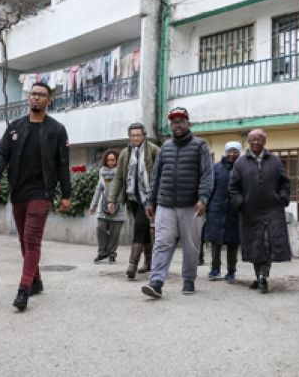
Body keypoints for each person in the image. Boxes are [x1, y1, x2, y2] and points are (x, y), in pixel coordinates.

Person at [0, 82, 72, 312]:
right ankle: (36, 281)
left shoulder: (56, 130)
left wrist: (66, 194)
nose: (36, 98)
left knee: (32, 240)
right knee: (24, 241)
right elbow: (2, 154)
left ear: (48, 101)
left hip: (42, 193)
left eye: (41, 95)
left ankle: (23, 290)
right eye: (33, 94)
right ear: (29, 98)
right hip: (18, 192)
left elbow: (63, 164)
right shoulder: (15, 127)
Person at [141, 107, 213, 298]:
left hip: (191, 205)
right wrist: (150, 200)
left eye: (181, 121)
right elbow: (156, 176)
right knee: (161, 243)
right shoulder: (165, 147)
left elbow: (207, 175)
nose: (177, 124)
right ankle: (156, 282)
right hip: (165, 204)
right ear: (170, 125)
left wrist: (203, 199)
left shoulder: (200, 146)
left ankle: (189, 279)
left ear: (188, 123)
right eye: (174, 121)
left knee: (191, 246)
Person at [228, 129, 292, 293]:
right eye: (252, 140)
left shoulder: (275, 161)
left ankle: (262, 277)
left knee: (268, 243)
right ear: (248, 142)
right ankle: (260, 276)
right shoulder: (240, 163)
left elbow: (285, 183)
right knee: (256, 244)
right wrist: (240, 202)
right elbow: (233, 187)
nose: (256, 142)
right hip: (250, 211)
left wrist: (283, 198)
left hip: (272, 210)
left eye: (259, 139)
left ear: (265, 141)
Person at [107, 122, 160, 279]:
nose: (135, 138)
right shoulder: (125, 153)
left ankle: (132, 264)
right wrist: (112, 199)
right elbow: (118, 178)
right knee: (143, 229)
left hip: (149, 197)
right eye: (132, 135)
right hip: (133, 198)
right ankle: (149, 261)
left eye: (138, 135)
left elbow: (161, 173)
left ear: (144, 135)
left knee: (139, 226)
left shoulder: (153, 150)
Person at [205, 141, 242, 281]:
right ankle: (215, 269)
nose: (232, 154)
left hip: (235, 211)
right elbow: (209, 188)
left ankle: (231, 271)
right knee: (215, 242)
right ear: (225, 152)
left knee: (233, 243)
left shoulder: (242, 168)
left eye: (235, 152)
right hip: (216, 210)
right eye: (229, 151)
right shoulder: (215, 168)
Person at [89, 150, 124, 264]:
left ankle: (112, 253)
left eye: (113, 160)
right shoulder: (102, 172)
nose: (110, 162)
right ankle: (102, 252)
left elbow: (123, 189)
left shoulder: (121, 172)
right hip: (103, 206)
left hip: (118, 206)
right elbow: (99, 188)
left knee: (115, 232)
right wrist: (93, 205)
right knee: (100, 228)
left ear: (117, 160)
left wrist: (116, 202)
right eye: (108, 160)